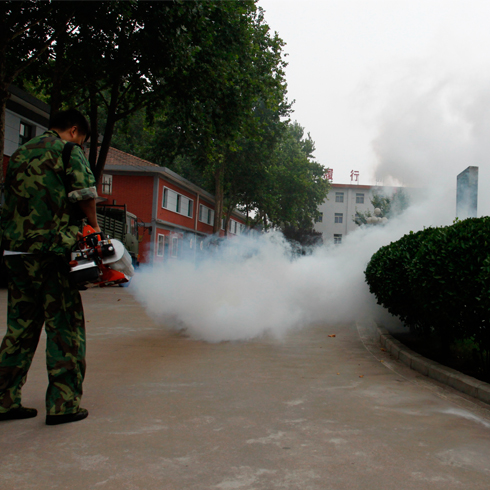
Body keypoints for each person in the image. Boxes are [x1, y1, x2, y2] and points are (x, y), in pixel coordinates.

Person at [0, 109, 100, 425]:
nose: (80, 144)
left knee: (20, 328)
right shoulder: (67, 150)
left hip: (15, 251)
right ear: (73, 130)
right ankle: (63, 405)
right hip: (52, 251)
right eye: (82, 139)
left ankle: (3, 401)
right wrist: (94, 228)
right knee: (65, 327)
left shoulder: (19, 153)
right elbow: (85, 195)